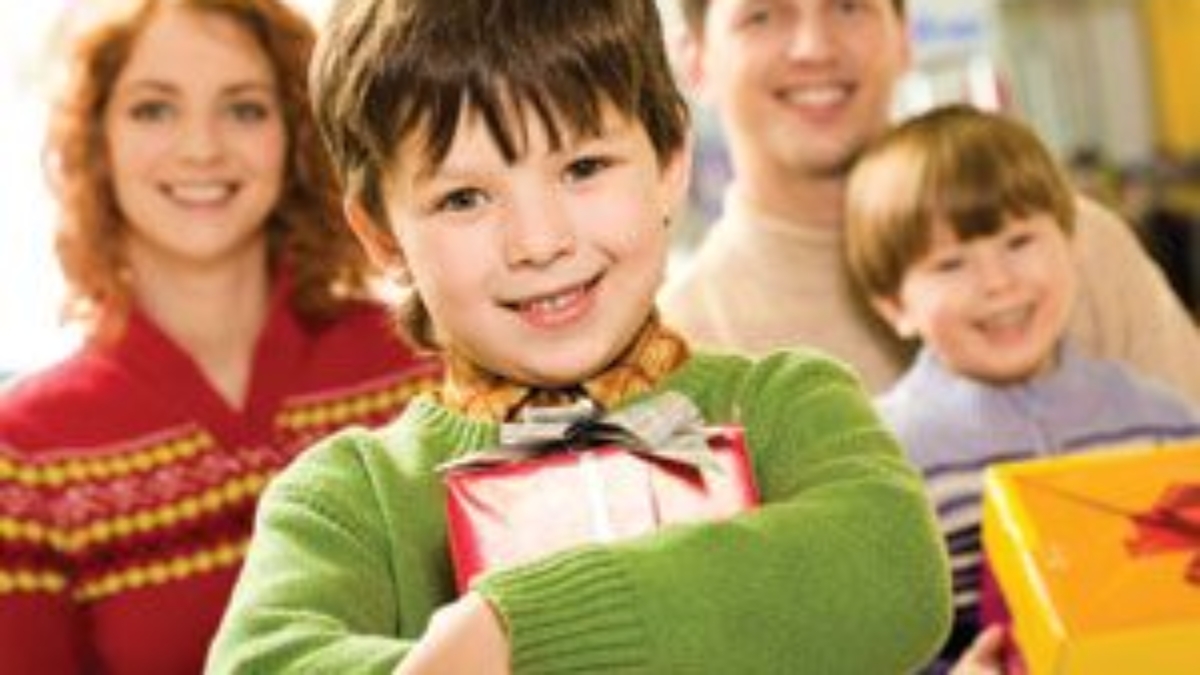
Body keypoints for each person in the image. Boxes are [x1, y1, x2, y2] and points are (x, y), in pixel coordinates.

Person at [204, 0, 953, 672]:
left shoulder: (787, 403)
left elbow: (896, 574)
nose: (539, 241)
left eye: (583, 166)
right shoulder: (347, 501)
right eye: (464, 197)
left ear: (668, 163)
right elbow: (263, 659)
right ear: (381, 235)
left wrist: (516, 631)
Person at [0, 1, 440, 673]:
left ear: (297, 132)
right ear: (97, 139)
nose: (201, 147)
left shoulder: (422, 366)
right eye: (154, 108)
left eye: (244, 108)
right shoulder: (26, 456)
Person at [662, 0, 1200, 404]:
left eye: (849, 6)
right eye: (762, 16)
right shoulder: (684, 346)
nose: (814, 48)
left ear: (904, 37)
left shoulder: (1078, 245)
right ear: (695, 61)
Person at [843, 104, 1200, 674]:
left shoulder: (1164, 423)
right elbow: (869, 645)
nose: (998, 282)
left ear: (1071, 246)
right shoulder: (879, 464)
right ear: (895, 306)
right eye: (951, 263)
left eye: (1019, 241)